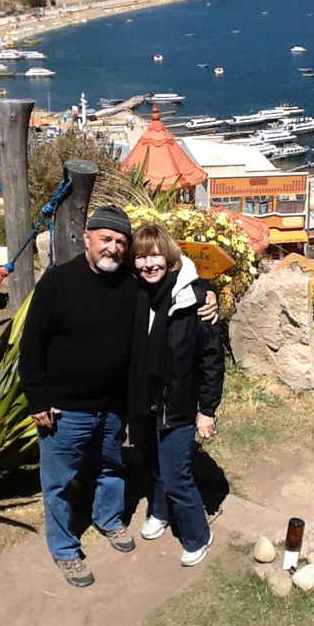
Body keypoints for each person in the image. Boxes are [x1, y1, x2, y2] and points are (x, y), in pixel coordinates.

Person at [18, 205, 217, 588]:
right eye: (106, 239)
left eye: (121, 242)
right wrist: (38, 400)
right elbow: (32, 347)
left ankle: (108, 519)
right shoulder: (57, 283)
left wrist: (209, 292)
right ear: (87, 238)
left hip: (113, 407)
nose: (113, 247)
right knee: (58, 483)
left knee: (112, 469)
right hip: (65, 411)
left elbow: (174, 273)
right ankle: (65, 549)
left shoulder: (130, 282)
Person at [129, 224, 224, 567]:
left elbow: (212, 360)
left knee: (175, 476)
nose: (148, 264)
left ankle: (198, 534)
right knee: (152, 465)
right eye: (140, 257)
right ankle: (160, 511)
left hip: (179, 404)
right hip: (144, 399)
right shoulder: (134, 293)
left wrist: (207, 410)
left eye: (154, 255)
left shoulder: (195, 298)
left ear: (168, 257)